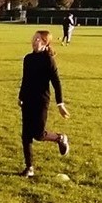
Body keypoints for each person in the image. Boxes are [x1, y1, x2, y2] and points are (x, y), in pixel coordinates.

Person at [18, 30, 70, 178]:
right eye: (34, 38)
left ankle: (60, 138)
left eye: (39, 39)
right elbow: (25, 80)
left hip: (41, 101)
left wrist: (60, 104)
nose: (35, 41)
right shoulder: (27, 59)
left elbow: (56, 82)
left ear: (45, 43)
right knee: (26, 136)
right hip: (27, 101)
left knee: (39, 135)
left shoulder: (48, 60)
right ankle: (29, 168)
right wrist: (21, 96)